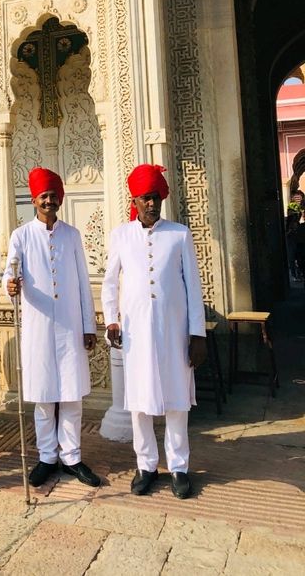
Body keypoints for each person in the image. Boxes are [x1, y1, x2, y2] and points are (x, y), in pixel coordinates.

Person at [101, 164, 207, 500]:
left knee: (177, 402)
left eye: (157, 197)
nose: (152, 203)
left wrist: (198, 334)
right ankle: (146, 466)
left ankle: (178, 467)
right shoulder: (120, 235)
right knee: (140, 404)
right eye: (147, 198)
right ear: (135, 199)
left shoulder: (179, 234)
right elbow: (109, 283)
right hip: (136, 336)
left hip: (174, 333)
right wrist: (112, 320)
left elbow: (193, 287)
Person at [2, 167, 100, 488]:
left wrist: (89, 325)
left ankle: (72, 457)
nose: (49, 200)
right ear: (34, 200)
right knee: (44, 397)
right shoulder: (21, 236)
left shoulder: (72, 235)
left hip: (71, 326)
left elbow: (84, 284)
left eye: (53, 195)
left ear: (59, 199)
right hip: (39, 327)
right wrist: (11, 286)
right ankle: (47, 457)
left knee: (72, 396)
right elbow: (9, 275)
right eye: (43, 196)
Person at [285, 190, 305, 281]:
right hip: (293, 234)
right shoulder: (292, 206)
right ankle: (294, 274)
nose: (297, 199)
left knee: (300, 255)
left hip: (300, 234)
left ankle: (299, 273)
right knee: (293, 255)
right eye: (295, 197)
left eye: (299, 197)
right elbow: (292, 218)